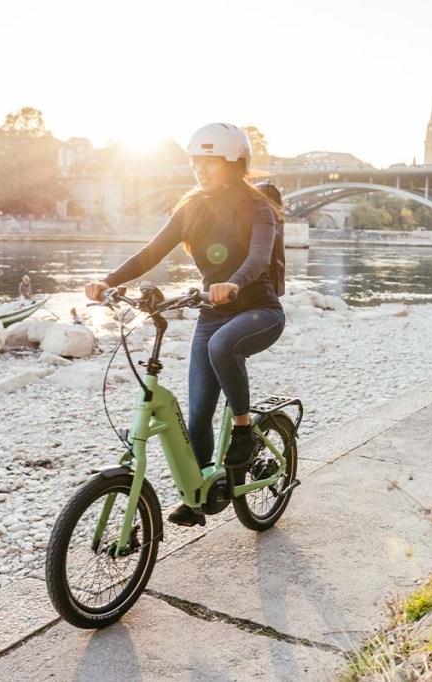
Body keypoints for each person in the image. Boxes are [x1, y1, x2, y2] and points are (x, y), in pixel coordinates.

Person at [85, 122, 286, 528]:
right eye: (196, 162)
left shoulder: (258, 208)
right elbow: (150, 252)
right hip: (213, 313)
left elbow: (259, 257)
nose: (201, 169)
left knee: (221, 347)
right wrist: (108, 281)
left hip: (259, 311)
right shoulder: (191, 207)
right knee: (196, 415)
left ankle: (244, 430)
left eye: (210, 162)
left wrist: (235, 283)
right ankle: (197, 496)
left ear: (234, 163)